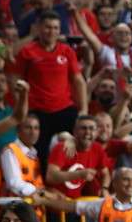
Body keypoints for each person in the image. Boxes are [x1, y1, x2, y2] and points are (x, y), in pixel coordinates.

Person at [15, 10, 88, 170]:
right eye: (48, 27)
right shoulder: (27, 52)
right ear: (39, 28)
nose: (52, 31)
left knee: (74, 149)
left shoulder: (67, 51)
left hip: (64, 109)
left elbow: (78, 81)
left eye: (56, 28)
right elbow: (18, 81)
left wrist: (83, 109)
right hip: (38, 111)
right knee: (39, 154)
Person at [0, 112, 46, 211]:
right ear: (18, 131)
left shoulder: (34, 154)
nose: (33, 132)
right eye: (28, 127)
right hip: (12, 213)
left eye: (36, 128)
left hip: (31, 212)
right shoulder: (10, 150)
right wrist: (41, 193)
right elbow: (14, 183)